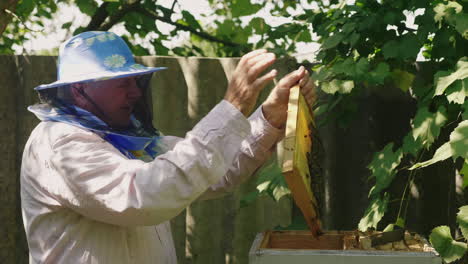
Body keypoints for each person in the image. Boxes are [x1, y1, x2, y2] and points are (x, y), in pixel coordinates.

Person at [20, 31, 316, 263]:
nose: (135, 92)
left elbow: (216, 168)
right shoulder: (59, 143)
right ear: (80, 89)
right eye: (121, 83)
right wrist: (232, 107)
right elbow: (145, 196)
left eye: (135, 81)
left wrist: (268, 117)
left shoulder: (131, 140)